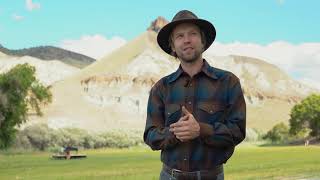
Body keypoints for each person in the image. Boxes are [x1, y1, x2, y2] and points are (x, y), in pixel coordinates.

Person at [143, 10, 246, 180]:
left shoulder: (228, 82)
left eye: (193, 34)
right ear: (173, 46)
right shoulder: (161, 88)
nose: (187, 40)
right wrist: (175, 133)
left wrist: (201, 130)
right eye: (180, 36)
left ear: (203, 41)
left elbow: (237, 131)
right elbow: (150, 135)